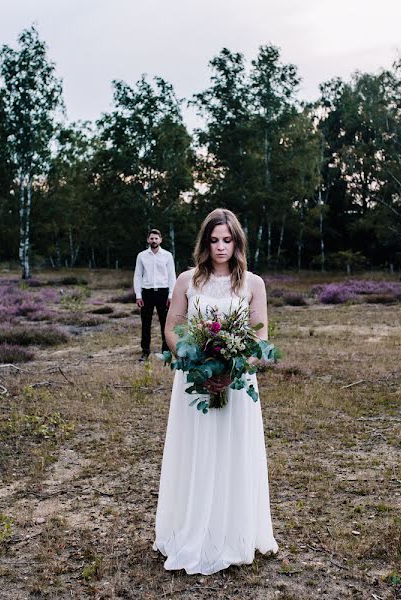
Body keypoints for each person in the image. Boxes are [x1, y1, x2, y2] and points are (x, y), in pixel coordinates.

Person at [153, 208, 278, 575]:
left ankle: (233, 530)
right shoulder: (186, 281)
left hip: (236, 384)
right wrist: (193, 362)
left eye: (227, 240)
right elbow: (172, 328)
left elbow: (261, 336)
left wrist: (235, 368)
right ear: (204, 243)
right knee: (198, 450)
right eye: (214, 240)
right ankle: (192, 529)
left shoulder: (252, 283)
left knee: (232, 450)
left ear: (237, 242)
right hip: (194, 382)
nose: (221, 247)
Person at [133, 229, 176, 360]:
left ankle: (165, 352)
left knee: (165, 323)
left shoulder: (167, 255)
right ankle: (145, 352)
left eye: (156, 238)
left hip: (163, 292)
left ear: (160, 240)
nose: (154, 241)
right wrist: (138, 295)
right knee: (146, 323)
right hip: (147, 292)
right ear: (148, 240)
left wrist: (171, 295)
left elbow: (172, 276)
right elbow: (137, 276)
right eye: (151, 238)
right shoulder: (141, 256)